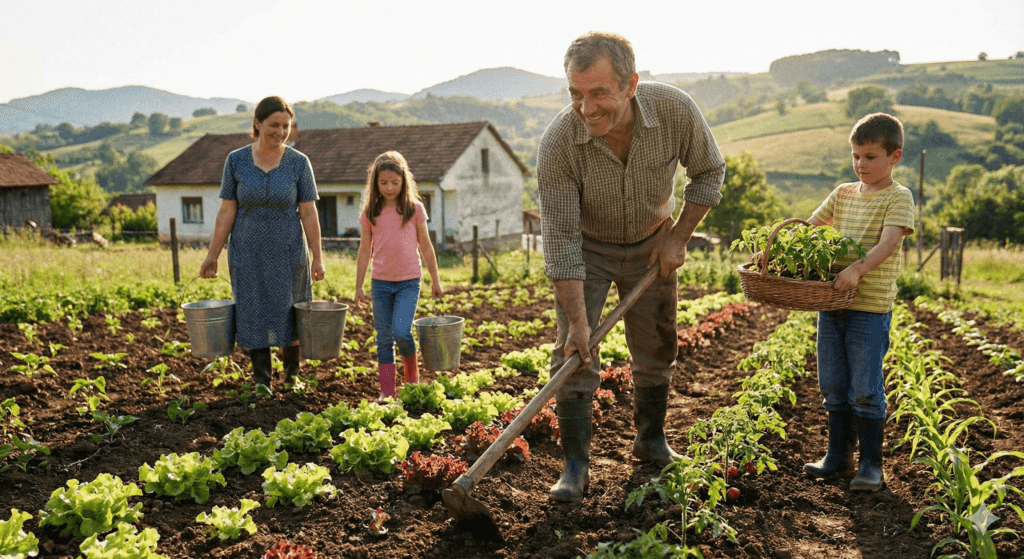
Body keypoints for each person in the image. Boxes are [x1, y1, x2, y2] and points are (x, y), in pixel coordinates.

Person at [537, 32, 726, 503]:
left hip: (652, 243)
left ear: (631, 84)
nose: (586, 108)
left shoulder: (675, 111)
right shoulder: (559, 143)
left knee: (656, 347)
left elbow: (709, 171)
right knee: (574, 352)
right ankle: (575, 466)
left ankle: (651, 440)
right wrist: (579, 322)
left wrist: (678, 236)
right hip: (589, 248)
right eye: (576, 94)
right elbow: (560, 239)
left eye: (599, 93)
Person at [803, 113, 915, 492]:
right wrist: (775, 251)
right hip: (831, 303)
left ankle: (871, 465)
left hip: (869, 306)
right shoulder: (843, 193)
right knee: (833, 383)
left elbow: (888, 243)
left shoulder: (898, 197)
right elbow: (810, 229)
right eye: (855, 156)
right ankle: (837, 457)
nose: (860, 165)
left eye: (870, 157)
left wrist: (857, 269)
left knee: (865, 387)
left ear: (894, 156)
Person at [199, 96, 325, 393]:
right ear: (257, 123)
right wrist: (212, 255)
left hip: (289, 252)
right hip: (247, 251)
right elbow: (227, 210)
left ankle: (292, 378)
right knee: (252, 310)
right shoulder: (237, 160)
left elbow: (308, 212)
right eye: (274, 125)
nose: (281, 132)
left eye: (286, 125)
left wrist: (317, 256)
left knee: (290, 309)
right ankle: (261, 380)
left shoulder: (298, 163)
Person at [354, 151, 444, 403]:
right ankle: (387, 391)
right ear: (375, 183)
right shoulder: (370, 212)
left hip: (408, 282)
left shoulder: (414, 209)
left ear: (404, 181)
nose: (389, 187)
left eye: (395, 182)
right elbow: (364, 251)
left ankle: (412, 377)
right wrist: (359, 286)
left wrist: (436, 280)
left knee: (402, 331)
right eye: (383, 183)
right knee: (383, 338)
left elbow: (426, 246)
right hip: (380, 283)